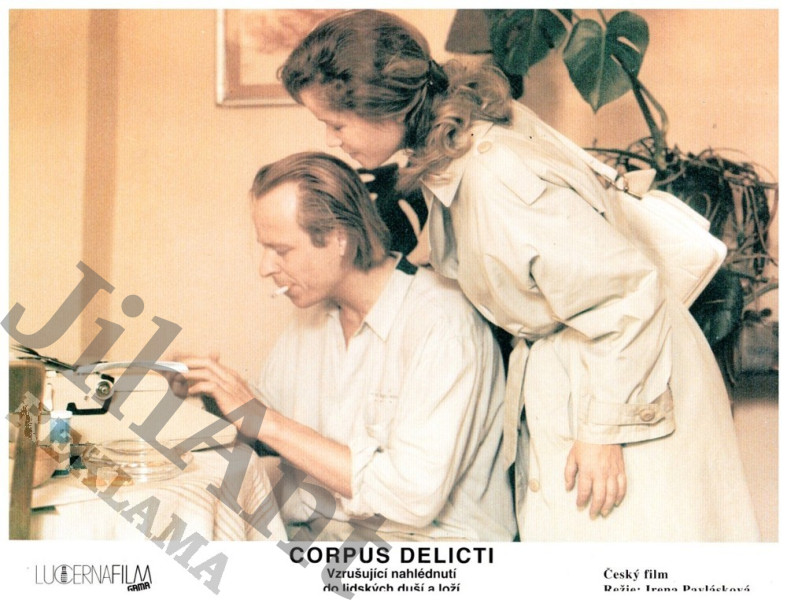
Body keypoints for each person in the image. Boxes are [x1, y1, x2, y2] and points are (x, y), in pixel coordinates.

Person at [279, 9, 761, 542]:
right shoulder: (459, 150)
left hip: (622, 370)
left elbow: (626, 292)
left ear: (385, 105)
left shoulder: (493, 174)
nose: (333, 139)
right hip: (593, 366)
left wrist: (604, 431)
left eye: (336, 124)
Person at [178, 152, 516, 542]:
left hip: (431, 555)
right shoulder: (311, 318)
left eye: (281, 250)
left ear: (340, 238)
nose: (264, 268)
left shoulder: (443, 323)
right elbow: (269, 434)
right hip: (330, 545)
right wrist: (209, 394)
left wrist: (261, 418)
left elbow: (412, 497)